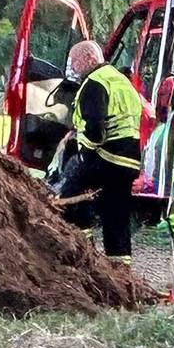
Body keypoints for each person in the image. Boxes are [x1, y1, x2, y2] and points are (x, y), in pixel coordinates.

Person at [62, 40, 145, 266]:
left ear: (89, 59)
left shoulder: (94, 82)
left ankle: (82, 251)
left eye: (75, 62)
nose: (73, 68)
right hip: (129, 161)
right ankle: (121, 268)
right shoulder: (121, 81)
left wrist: (85, 154)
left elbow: (96, 130)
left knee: (69, 195)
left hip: (107, 157)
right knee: (116, 215)